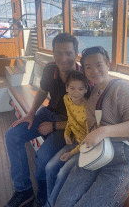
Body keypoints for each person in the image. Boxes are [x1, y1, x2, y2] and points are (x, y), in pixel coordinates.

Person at [54, 46, 129, 207]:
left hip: (121, 161)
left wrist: (104, 131)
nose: (94, 70)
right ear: (84, 71)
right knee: (62, 202)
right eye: (88, 67)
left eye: (99, 65)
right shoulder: (92, 97)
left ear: (108, 65)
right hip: (95, 156)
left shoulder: (122, 88)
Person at [4, 33, 84, 207]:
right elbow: (42, 91)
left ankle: (42, 195)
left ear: (77, 53)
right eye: (58, 53)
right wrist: (31, 113)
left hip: (68, 124)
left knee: (43, 158)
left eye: (69, 53)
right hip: (47, 113)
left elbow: (83, 120)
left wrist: (54, 126)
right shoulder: (50, 69)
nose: (64, 59)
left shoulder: (84, 78)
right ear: (53, 54)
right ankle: (23, 190)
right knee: (12, 135)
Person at [45, 70, 89, 207]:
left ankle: (50, 204)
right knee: (49, 168)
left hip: (85, 147)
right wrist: (66, 134)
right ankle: (50, 200)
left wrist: (72, 152)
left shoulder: (88, 109)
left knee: (61, 174)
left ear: (86, 90)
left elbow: (88, 138)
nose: (76, 92)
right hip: (73, 141)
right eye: (72, 88)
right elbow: (70, 119)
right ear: (66, 88)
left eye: (81, 89)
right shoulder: (67, 98)